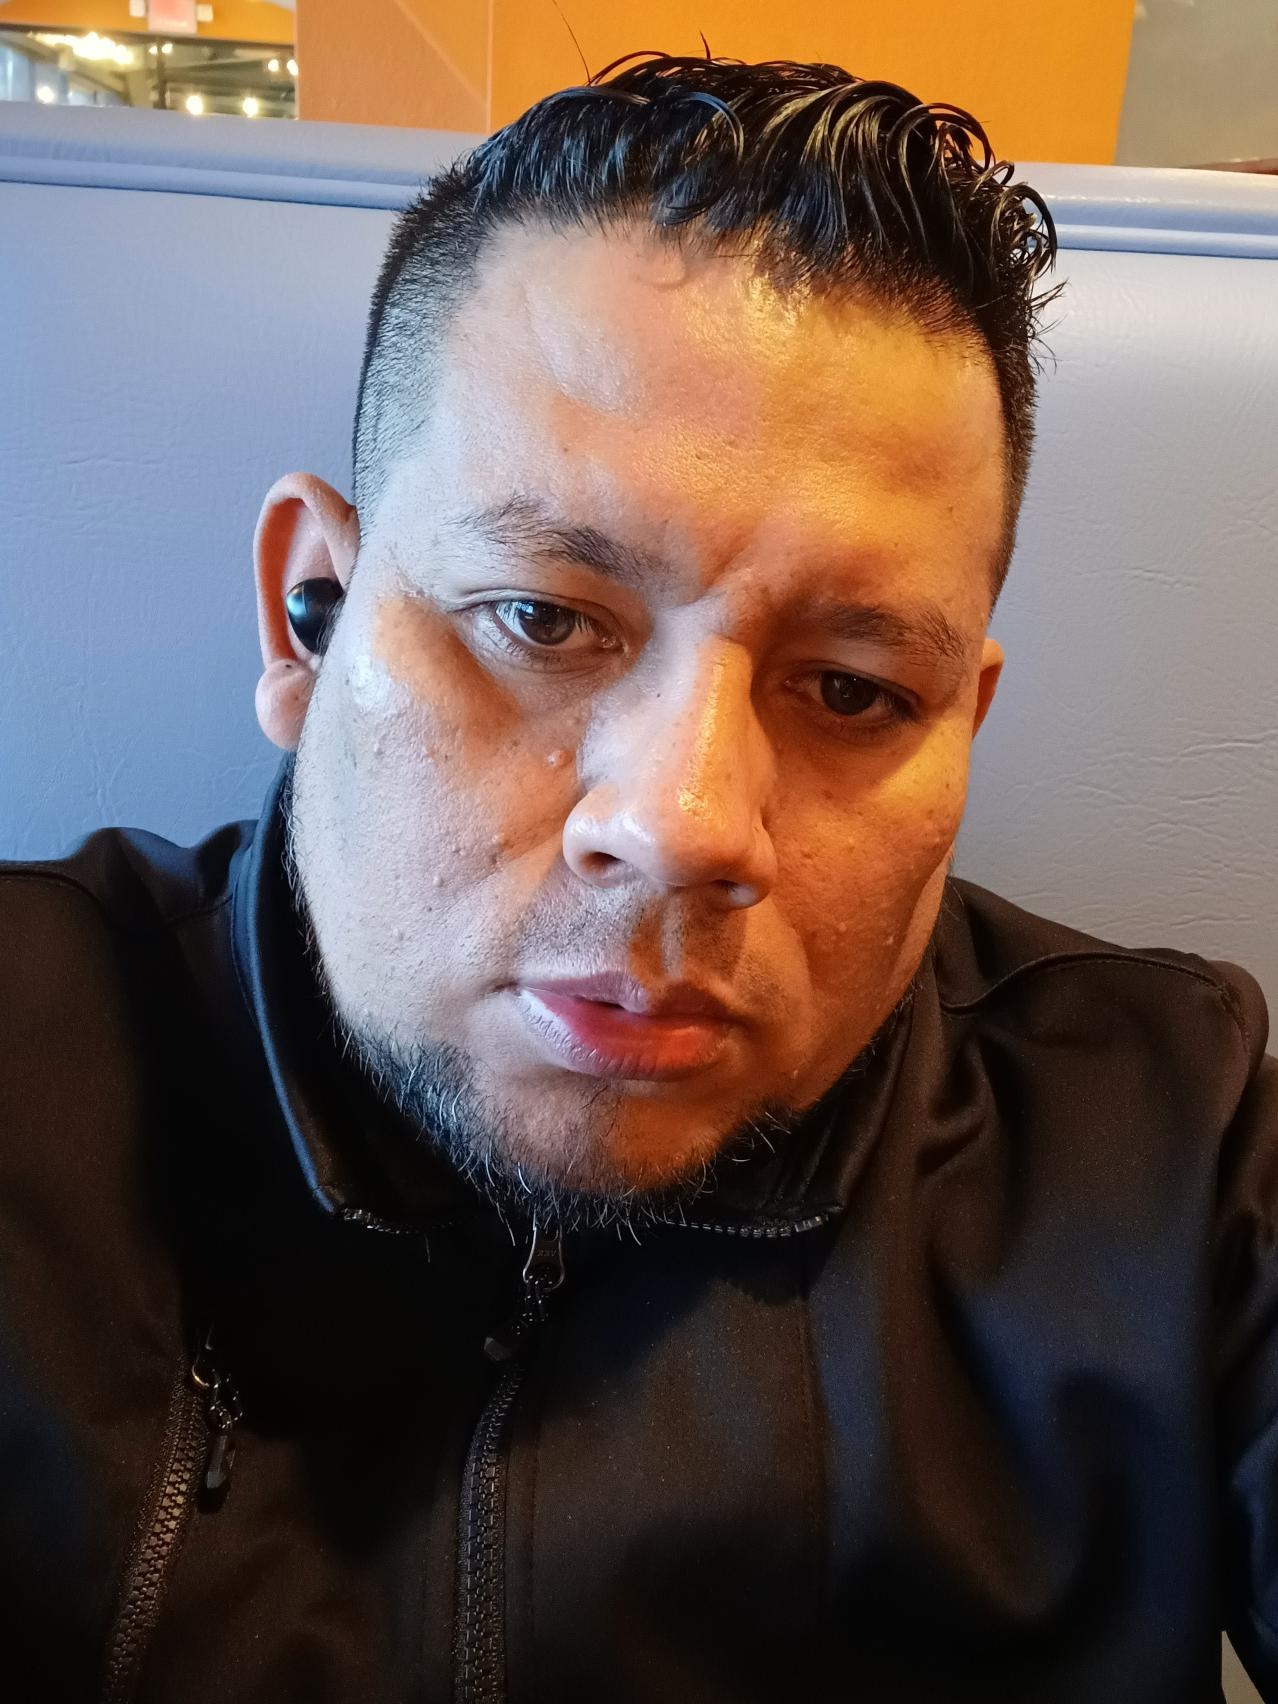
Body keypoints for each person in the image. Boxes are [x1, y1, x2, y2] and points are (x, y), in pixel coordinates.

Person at [1, 49, 1274, 1704]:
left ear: (959, 728)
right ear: (308, 617)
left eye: (851, 691)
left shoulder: (1170, 1147)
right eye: (542, 618)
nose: (684, 823)